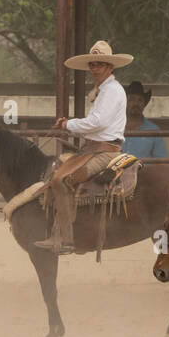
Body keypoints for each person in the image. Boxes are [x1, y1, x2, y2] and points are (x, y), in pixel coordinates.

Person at [35, 40, 133, 252]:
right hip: (95, 149)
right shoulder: (104, 90)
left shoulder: (111, 91)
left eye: (99, 64)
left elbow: (98, 122)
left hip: (105, 152)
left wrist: (68, 124)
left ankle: (66, 240)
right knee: (57, 170)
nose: (94, 68)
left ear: (110, 67)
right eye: (92, 64)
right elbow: (97, 123)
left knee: (62, 180)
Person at [120, 80, 168, 160]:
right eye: (131, 99)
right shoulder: (114, 126)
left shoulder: (153, 130)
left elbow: (162, 159)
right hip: (116, 171)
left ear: (144, 104)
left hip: (143, 172)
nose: (136, 103)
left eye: (140, 100)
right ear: (125, 102)